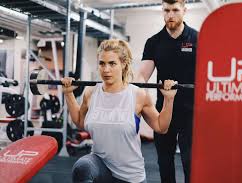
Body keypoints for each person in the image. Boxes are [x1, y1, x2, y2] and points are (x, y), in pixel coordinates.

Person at [61, 39, 178, 183]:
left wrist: (169, 100)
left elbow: (161, 127)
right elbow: (80, 122)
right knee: (82, 168)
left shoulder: (138, 95)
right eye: (102, 63)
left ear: (123, 64)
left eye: (112, 63)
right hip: (100, 166)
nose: (106, 69)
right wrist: (68, 94)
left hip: (130, 176)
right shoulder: (91, 93)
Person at [136, 0, 198, 183]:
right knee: (164, 162)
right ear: (162, 11)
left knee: (190, 162)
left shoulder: (197, 38)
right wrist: (131, 90)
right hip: (163, 111)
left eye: (175, 10)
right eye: (167, 10)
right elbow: (142, 75)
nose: (171, 14)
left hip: (191, 112)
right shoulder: (154, 42)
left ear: (184, 10)